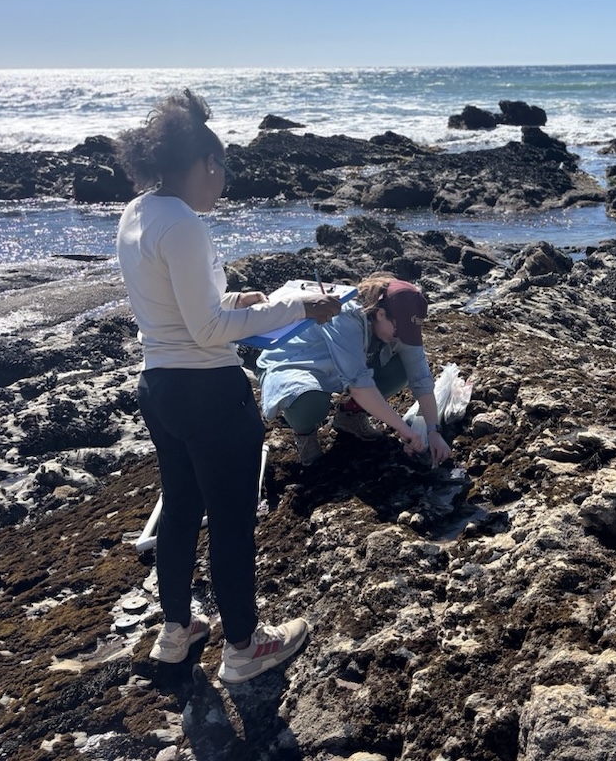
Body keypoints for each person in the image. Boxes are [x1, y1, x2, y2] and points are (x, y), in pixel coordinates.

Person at [115, 89, 343, 684]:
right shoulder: (185, 224)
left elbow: (182, 306)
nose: (222, 181)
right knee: (233, 518)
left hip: (159, 387)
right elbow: (211, 329)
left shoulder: (138, 212)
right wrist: (295, 306)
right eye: (221, 167)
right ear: (204, 164)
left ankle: (176, 629)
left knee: (182, 509)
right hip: (210, 395)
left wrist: (236, 299)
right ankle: (243, 646)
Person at [256, 272, 453, 468]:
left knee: (400, 369)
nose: (401, 337)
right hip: (296, 363)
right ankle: (304, 434)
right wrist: (406, 431)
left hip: (344, 366)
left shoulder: (400, 322)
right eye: (399, 330)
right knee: (310, 402)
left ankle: (350, 416)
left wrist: (433, 431)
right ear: (380, 314)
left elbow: (420, 377)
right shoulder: (345, 315)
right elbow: (359, 384)